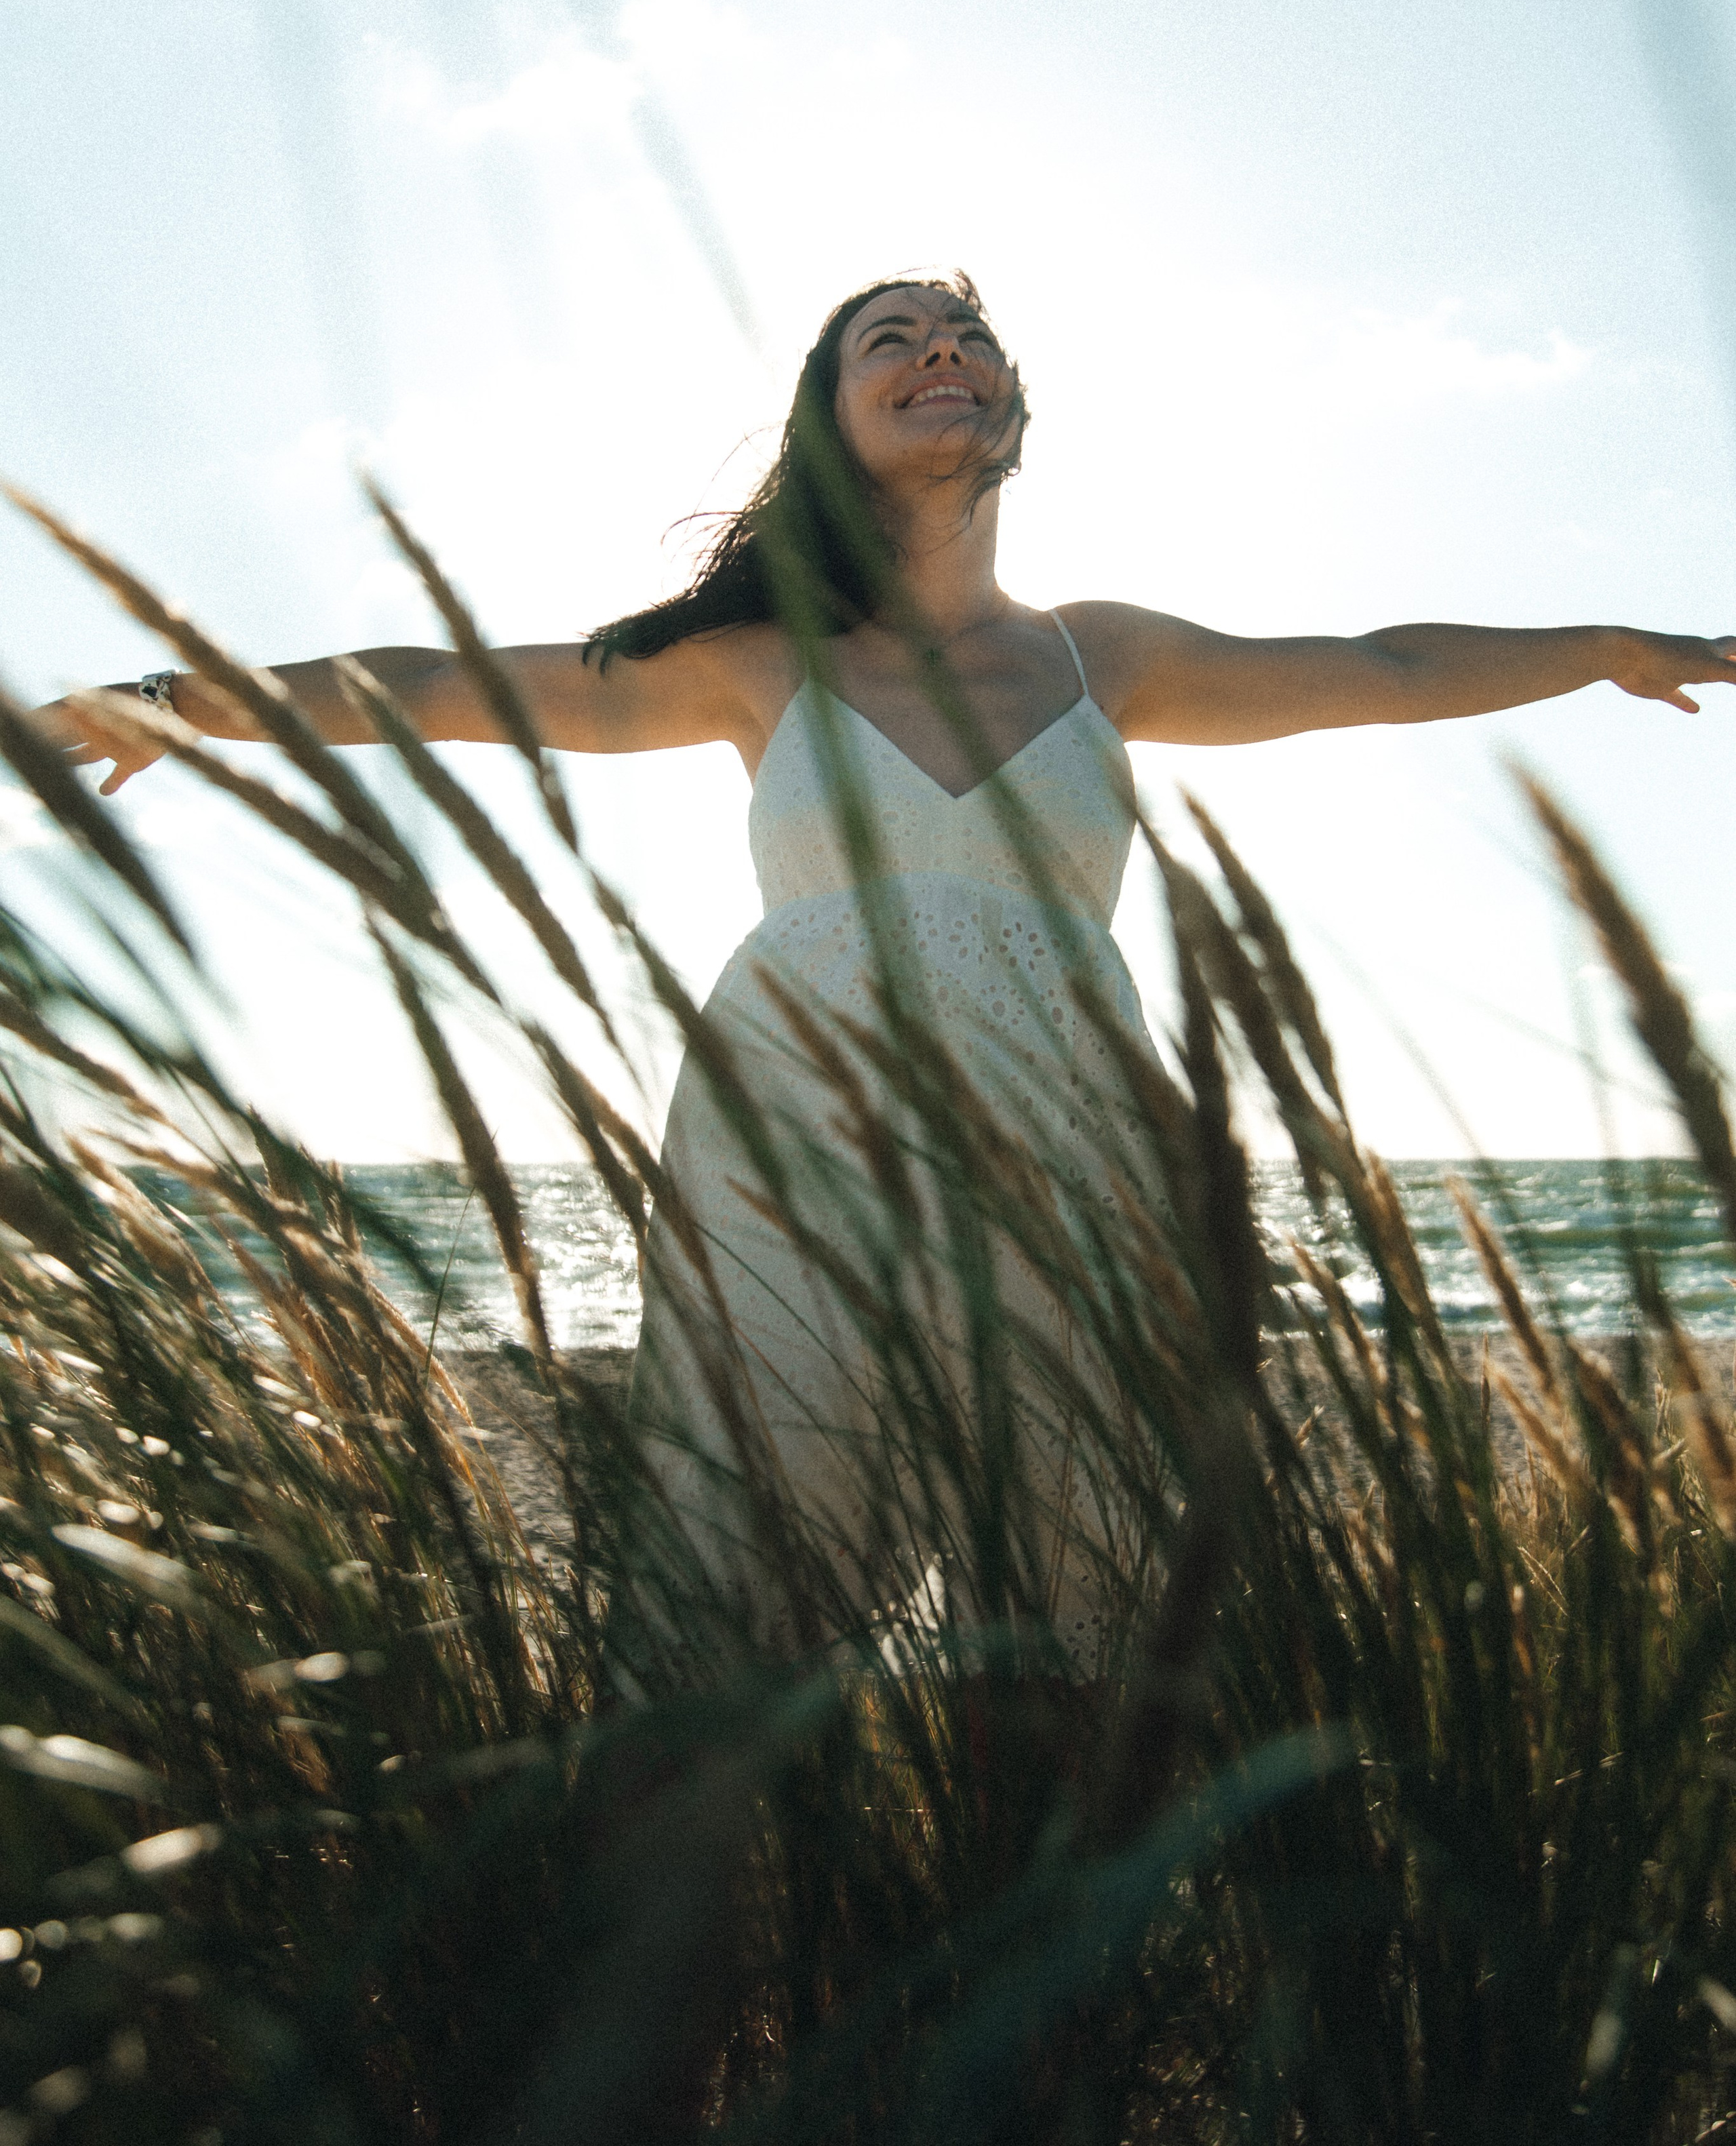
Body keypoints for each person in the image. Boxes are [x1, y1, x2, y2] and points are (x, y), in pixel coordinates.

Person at [35, 270, 1736, 1679]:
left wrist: (1607, 649)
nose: (940, 352)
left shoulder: (1100, 655)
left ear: (1011, 414)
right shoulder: (748, 663)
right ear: (831, 421)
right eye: (891, 339)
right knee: (739, 1614)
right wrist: (174, 706)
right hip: (795, 1150)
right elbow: (441, 683)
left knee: (1068, 1614)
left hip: (1068, 1145)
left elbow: (1382, 663)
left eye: (966, 337)